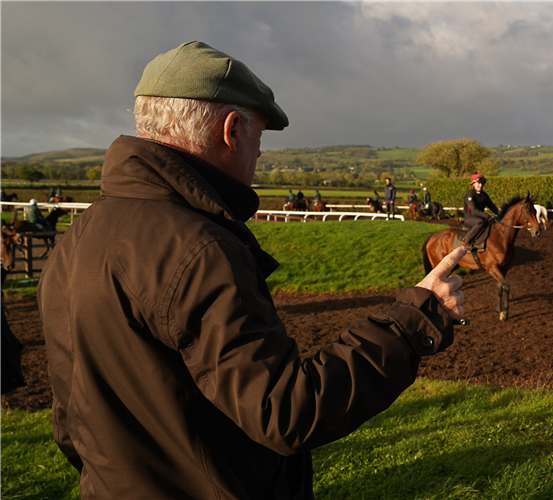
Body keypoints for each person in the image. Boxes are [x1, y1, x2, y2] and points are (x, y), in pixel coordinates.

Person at [37, 41, 467, 500]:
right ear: (232, 129)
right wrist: (410, 324)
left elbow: (69, 420)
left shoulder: (78, 236)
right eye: (259, 137)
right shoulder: (198, 248)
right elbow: (285, 411)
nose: (258, 155)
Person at [462, 173, 500, 249]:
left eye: (482, 183)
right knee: (482, 222)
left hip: (480, 217)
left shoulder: (484, 195)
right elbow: (474, 210)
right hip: (469, 218)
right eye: (478, 183)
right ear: (473, 184)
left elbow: (492, 207)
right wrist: (488, 216)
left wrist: (502, 214)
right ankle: (467, 240)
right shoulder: (470, 195)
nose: (481, 185)